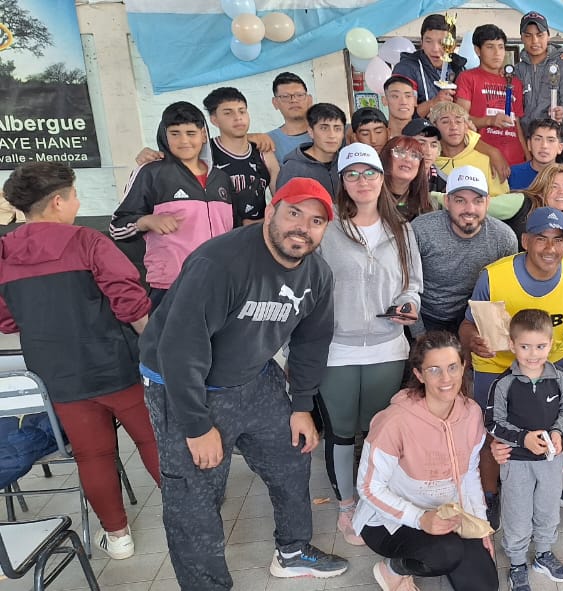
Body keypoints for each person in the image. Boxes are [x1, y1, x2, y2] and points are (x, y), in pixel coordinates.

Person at [139, 178, 348, 588]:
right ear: (270, 212)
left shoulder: (317, 275)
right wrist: (196, 426)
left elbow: (311, 342)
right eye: (294, 213)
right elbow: (180, 349)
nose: (302, 228)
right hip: (185, 385)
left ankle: (292, 552)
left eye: (316, 221)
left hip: (254, 378)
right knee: (196, 497)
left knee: (292, 457)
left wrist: (302, 406)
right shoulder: (220, 263)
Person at [0, 162, 160, 560]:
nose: (78, 202)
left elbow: (7, 321)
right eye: (74, 195)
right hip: (116, 364)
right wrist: (159, 351)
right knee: (153, 439)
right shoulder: (87, 240)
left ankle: (117, 537)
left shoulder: (4, 252)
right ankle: (193, 514)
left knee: (92, 455)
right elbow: (130, 304)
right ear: (58, 201)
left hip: (56, 375)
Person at [319, 143, 423, 546]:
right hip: (337, 347)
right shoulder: (327, 229)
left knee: (378, 431)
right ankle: (347, 504)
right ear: (342, 182)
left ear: (382, 178)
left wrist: (409, 305)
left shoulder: (401, 230)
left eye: (370, 173)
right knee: (342, 431)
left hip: (387, 345)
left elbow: (413, 284)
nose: (362, 181)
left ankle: (374, 497)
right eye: (353, 174)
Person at [354, 332, 498, 591]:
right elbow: (368, 488)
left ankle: (442, 546)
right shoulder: (394, 421)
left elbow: (468, 473)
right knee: (445, 553)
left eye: (452, 367)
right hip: (389, 521)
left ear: (463, 366)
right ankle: (393, 569)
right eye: (434, 370)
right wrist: (420, 519)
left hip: (448, 513)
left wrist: (480, 523)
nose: (446, 379)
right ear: (419, 375)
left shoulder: (472, 413)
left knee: (484, 586)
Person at [110, 101, 234, 309]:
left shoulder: (221, 178)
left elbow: (233, 232)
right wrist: (146, 221)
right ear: (164, 136)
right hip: (171, 286)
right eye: (175, 133)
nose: (184, 140)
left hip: (220, 284)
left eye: (191, 133)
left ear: (204, 135)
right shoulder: (151, 172)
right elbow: (117, 228)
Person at [486, 309, 563, 591]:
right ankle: (516, 562)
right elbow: (493, 422)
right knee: (517, 513)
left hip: (550, 461)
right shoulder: (504, 384)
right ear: (512, 345)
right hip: (516, 462)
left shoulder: (560, 377)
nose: (533, 354)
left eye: (540, 346)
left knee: (548, 508)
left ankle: (544, 553)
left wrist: (558, 432)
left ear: (551, 344)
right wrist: (522, 438)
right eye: (525, 346)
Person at [464, 206, 563, 406]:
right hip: (499, 362)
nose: (550, 248)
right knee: (491, 419)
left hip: (551, 355)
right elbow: (467, 325)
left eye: (558, 240)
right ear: (525, 241)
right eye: (541, 239)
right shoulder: (493, 277)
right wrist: (473, 341)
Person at [412, 164, 518, 334]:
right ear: (447, 201)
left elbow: (505, 293)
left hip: (475, 318)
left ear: (488, 202)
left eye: (478, 201)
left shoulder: (504, 238)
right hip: (426, 316)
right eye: (460, 200)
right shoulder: (421, 230)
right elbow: (406, 286)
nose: (470, 209)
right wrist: (419, 335)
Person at [514, 11, 563, 173]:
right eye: (528, 36)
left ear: (548, 36)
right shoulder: (517, 71)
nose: (534, 41)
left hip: (561, 144)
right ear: (521, 38)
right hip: (530, 147)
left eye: (540, 35)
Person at [203, 87, 278, 226]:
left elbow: (282, 201)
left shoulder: (263, 152)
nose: (238, 117)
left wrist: (260, 223)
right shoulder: (205, 153)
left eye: (242, 111)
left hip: (258, 233)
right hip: (221, 235)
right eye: (228, 113)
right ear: (214, 120)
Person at [456, 24, 527, 167]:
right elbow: (461, 120)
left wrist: (528, 158)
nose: (497, 53)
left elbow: (517, 124)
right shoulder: (467, 78)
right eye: (490, 47)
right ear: (477, 50)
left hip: (516, 160)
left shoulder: (515, 82)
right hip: (482, 159)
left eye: (501, 47)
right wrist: (490, 120)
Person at [392, 14, 466, 118]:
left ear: (452, 45)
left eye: (442, 42)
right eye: (428, 41)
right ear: (421, 42)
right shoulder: (406, 69)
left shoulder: (460, 68)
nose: (435, 48)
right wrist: (434, 102)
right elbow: (401, 115)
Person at [431, 100, 511, 196]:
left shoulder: (488, 161)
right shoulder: (430, 162)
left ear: (466, 126)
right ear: (434, 127)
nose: (453, 127)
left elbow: (503, 200)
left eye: (458, 121)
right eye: (445, 122)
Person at [277, 103, 346, 201]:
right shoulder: (293, 169)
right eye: (324, 128)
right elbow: (283, 206)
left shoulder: (347, 163)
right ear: (310, 131)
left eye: (337, 129)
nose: (332, 135)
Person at [509, 119, 563, 195]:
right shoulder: (512, 175)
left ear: (560, 147)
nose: (544, 145)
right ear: (529, 144)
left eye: (551, 140)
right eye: (538, 139)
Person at [381, 133, 443, 221]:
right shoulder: (369, 200)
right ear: (386, 157)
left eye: (414, 155)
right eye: (400, 152)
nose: (408, 159)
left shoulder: (432, 206)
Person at [266, 72, 314, 159]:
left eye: (299, 95)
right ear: (275, 103)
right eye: (285, 96)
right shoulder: (268, 141)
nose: (294, 100)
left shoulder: (328, 131)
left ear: (309, 99)